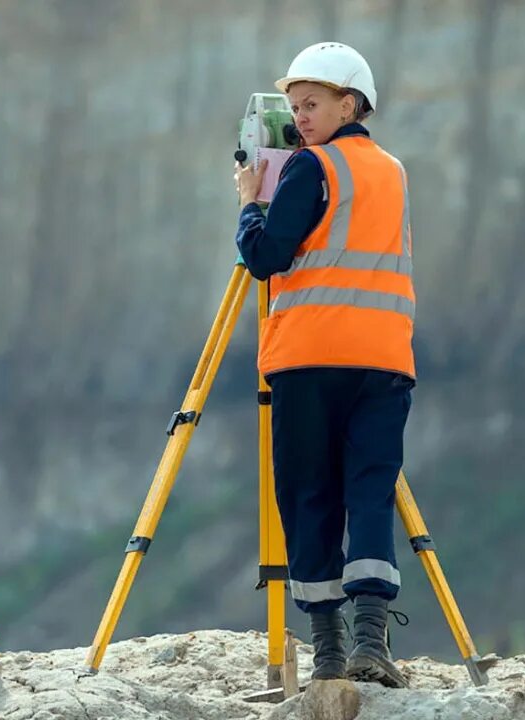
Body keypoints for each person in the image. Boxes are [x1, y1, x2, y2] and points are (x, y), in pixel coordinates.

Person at [233, 41, 415, 688]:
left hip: (310, 359)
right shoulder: (392, 170)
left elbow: (266, 257)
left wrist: (250, 203)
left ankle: (329, 654)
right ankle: (372, 641)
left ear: (349, 103)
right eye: (294, 108)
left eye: (311, 105)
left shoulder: (312, 167)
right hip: (385, 359)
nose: (301, 119)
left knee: (309, 495)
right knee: (370, 491)